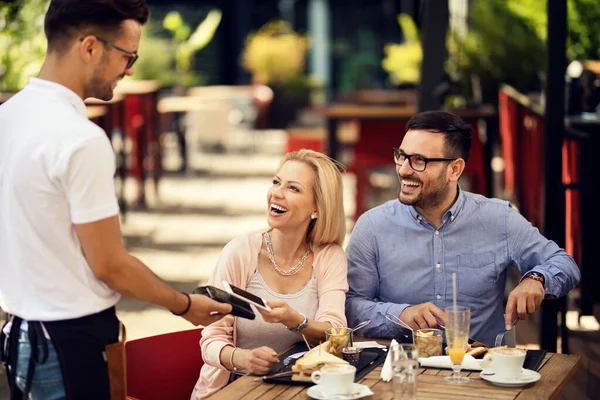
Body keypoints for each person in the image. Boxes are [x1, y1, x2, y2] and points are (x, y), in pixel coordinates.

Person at [0, 1, 232, 399]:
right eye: (128, 56)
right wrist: (182, 305)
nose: (130, 70)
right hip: (68, 344)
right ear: (90, 47)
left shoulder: (9, 116)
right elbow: (109, 265)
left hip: (21, 339)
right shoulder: (81, 139)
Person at [345, 110, 580, 347]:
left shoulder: (499, 219)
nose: (404, 169)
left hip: (482, 369)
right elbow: (350, 305)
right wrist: (401, 314)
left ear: (455, 170)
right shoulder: (372, 226)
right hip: (404, 367)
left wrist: (537, 279)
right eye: (401, 156)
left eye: (419, 160)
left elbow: (565, 264)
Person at [192, 149, 348, 399]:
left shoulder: (329, 256)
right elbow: (211, 340)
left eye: (293, 188)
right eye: (276, 182)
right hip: (232, 389)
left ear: (317, 209)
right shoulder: (240, 252)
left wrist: (295, 320)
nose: (276, 193)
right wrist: (244, 358)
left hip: (300, 391)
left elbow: (336, 331)